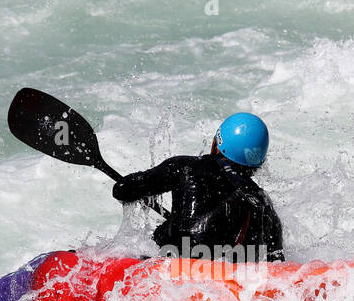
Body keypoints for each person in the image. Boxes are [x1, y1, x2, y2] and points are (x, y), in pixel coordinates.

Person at [112, 112, 285, 263]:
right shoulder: (263, 202)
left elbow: (122, 189)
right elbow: (277, 263)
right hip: (226, 283)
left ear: (216, 143)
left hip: (171, 270)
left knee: (163, 233)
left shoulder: (185, 166)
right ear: (257, 164)